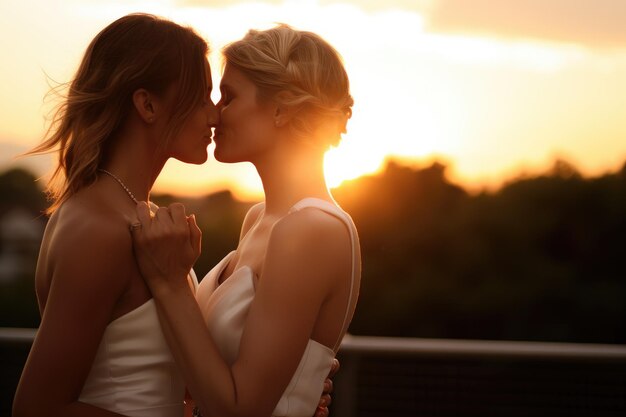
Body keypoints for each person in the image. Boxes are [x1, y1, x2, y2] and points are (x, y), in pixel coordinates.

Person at [13, 14, 334, 417]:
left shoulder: (139, 218)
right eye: (202, 97)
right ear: (147, 105)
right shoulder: (100, 228)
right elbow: (37, 408)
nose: (214, 116)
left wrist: (290, 388)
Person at [130, 24, 361, 417]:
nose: (215, 115)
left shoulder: (310, 231)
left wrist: (170, 282)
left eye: (229, 97)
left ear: (281, 110)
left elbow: (242, 409)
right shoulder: (259, 218)